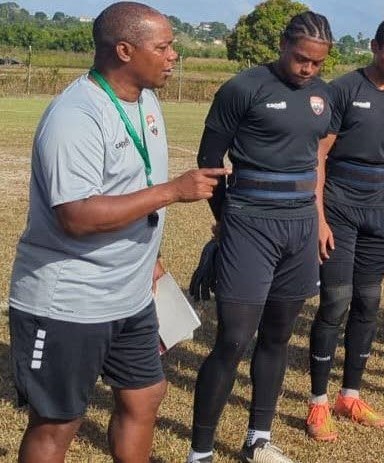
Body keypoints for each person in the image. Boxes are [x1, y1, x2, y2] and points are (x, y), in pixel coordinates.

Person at [8, 3, 228, 462]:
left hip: (129, 296)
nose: (174, 56)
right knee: (57, 422)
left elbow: (132, 188)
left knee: (145, 396)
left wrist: (152, 259)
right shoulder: (77, 116)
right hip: (69, 301)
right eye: (163, 47)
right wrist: (172, 191)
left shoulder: (146, 100)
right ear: (125, 50)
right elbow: (78, 215)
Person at [187, 11, 334, 463]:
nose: (308, 69)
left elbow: (316, 159)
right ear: (283, 44)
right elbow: (209, 158)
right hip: (250, 224)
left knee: (278, 336)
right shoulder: (242, 88)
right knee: (233, 340)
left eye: (317, 63)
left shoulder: (323, 97)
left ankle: (258, 439)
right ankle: (201, 452)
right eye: (301, 58)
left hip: (300, 227)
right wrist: (225, 218)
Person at [305, 17, 384, 442]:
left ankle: (349, 396)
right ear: (374, 46)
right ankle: (317, 403)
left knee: (368, 305)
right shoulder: (343, 90)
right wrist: (318, 217)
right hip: (339, 207)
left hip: (378, 213)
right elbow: (318, 156)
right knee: (335, 303)